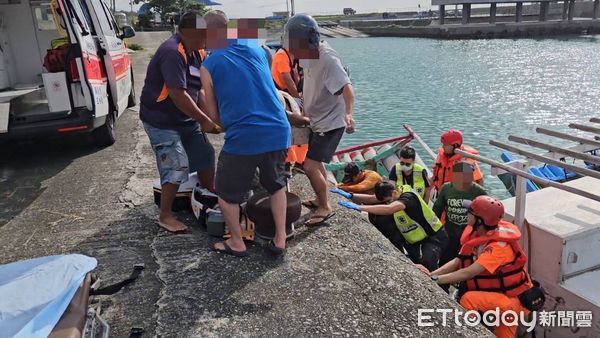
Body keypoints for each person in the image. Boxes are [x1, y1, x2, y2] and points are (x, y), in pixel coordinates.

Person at [200, 13, 291, 257]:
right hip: (279, 129)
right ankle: (280, 239)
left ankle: (237, 243)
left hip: (244, 135)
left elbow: (212, 116)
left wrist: (220, 119)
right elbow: (264, 82)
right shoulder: (256, 46)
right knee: (276, 185)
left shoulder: (208, 64)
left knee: (226, 194)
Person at [418, 196, 544, 338]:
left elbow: (468, 272)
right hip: (500, 295)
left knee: (468, 299)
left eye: (470, 212)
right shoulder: (477, 235)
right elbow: (458, 261)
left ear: (480, 220)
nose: (466, 214)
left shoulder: (499, 247)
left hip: (512, 301)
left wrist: (435, 279)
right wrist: (431, 274)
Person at [139, 12, 218, 233]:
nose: (206, 38)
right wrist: (203, 119)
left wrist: (208, 117)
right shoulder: (172, 52)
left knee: (204, 153)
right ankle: (165, 215)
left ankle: (209, 190)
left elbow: (198, 89)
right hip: (160, 120)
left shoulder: (198, 52)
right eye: (203, 34)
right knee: (175, 163)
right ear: (189, 32)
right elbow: (177, 94)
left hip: (184, 118)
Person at [284, 14, 356, 226]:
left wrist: (349, 113)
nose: (293, 51)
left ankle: (325, 207)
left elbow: (347, 88)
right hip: (317, 119)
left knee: (310, 165)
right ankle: (320, 198)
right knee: (316, 163)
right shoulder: (307, 56)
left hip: (331, 123)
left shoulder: (327, 58)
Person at [334, 181, 448, 272]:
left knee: (427, 264)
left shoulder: (407, 197)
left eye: (388, 201)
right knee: (416, 265)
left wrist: (360, 208)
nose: (387, 203)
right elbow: (374, 199)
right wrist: (351, 196)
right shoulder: (394, 193)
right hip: (414, 238)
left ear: (393, 193)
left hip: (432, 235)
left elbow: (390, 209)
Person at [433, 162, 487, 266]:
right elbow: (437, 209)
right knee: (445, 260)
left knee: (466, 262)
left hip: (469, 235)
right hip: (450, 232)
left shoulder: (479, 191)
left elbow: (486, 213)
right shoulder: (446, 188)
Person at [432, 129, 483, 194]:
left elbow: (479, 181)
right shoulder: (442, 155)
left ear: (455, 145)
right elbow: (434, 176)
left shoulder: (465, 160)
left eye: (445, 145)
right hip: (441, 195)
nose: (443, 147)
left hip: (457, 198)